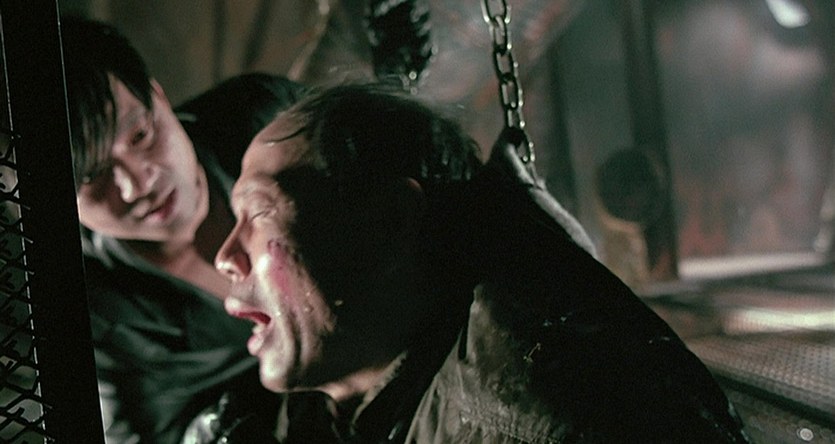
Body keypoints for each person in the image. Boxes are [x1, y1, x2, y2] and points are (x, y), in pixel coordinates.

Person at [214, 83, 753, 443]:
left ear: (391, 221)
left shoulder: (549, 415)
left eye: (258, 212)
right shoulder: (329, 407)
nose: (225, 257)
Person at [60, 16, 305, 443]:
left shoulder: (265, 120)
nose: (138, 184)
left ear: (158, 96)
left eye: (140, 135)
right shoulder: (96, 322)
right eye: (93, 177)